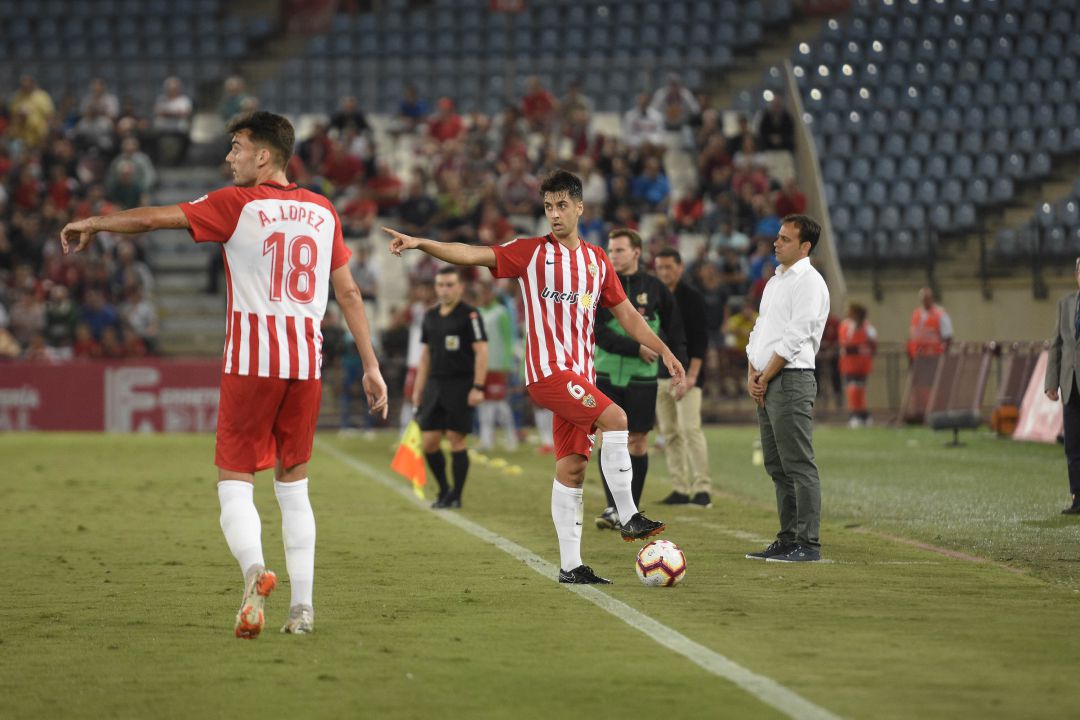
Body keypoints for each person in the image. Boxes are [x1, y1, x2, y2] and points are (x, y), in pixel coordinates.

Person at [59, 111, 389, 638]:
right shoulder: (325, 211)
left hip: (252, 364)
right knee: (294, 486)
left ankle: (255, 571)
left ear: (264, 156)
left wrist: (95, 222)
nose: (228, 157)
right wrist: (372, 366)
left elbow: (154, 219)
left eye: (236, 146)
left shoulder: (237, 204)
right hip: (306, 365)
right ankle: (302, 609)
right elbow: (348, 292)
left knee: (235, 480)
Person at [384, 169, 685, 585]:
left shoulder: (597, 261)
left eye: (562, 205)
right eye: (548, 207)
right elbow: (472, 252)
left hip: (581, 376)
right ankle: (629, 515)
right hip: (548, 373)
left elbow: (627, 314)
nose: (554, 214)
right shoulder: (530, 253)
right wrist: (422, 244)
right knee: (617, 420)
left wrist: (665, 349)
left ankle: (570, 566)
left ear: (580, 207)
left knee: (573, 467)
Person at [744, 215, 829, 563]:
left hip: (790, 379)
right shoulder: (775, 281)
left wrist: (765, 375)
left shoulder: (809, 282)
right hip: (768, 378)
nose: (775, 243)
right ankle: (788, 537)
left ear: (804, 246)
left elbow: (797, 336)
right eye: (777, 237)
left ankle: (807, 543)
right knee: (777, 465)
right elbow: (760, 329)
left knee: (798, 464)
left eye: (784, 239)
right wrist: (752, 369)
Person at [593, 229, 686, 529]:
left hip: (642, 379)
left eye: (619, 250)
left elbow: (674, 330)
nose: (613, 256)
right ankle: (612, 508)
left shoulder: (656, 289)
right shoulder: (601, 287)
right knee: (607, 440)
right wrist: (636, 347)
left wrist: (676, 365)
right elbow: (598, 333)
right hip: (606, 373)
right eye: (610, 250)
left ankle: (629, 511)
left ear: (636, 252)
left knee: (638, 442)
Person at [412, 267, 489, 509]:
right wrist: (418, 389)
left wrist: (478, 386)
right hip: (435, 384)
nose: (444, 289)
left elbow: (481, 351)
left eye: (449, 284)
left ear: (460, 287)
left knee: (456, 438)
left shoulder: (470, 315)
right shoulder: (430, 316)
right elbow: (425, 356)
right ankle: (444, 489)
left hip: (461, 382)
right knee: (429, 442)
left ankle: (456, 495)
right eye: (440, 285)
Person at [653, 248, 712, 507]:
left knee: (690, 429)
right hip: (659, 374)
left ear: (680, 268)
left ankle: (702, 489)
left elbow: (700, 340)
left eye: (669, 267)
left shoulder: (692, 298)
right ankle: (679, 487)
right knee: (669, 433)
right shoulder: (653, 297)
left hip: (688, 375)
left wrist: (691, 376)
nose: (664, 272)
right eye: (660, 268)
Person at [1045, 257, 1080, 515]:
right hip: (1070, 385)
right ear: (1075, 275)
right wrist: (1051, 382)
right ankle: (1077, 498)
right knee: (1073, 445)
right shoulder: (1064, 304)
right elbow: (1056, 344)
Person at [475, 281, 519, 452]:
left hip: (497, 364)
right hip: (481, 365)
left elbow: (508, 339)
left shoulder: (500, 312)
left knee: (498, 403)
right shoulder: (478, 313)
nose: (483, 297)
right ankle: (486, 439)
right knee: (483, 402)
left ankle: (511, 436)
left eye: (486, 293)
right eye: (481, 294)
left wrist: (508, 362)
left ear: (492, 294)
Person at [838, 303, 877, 428]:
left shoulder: (868, 327)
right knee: (852, 388)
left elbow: (873, 344)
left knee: (859, 389)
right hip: (849, 363)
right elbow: (844, 343)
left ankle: (860, 415)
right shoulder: (845, 325)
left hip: (862, 363)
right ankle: (857, 415)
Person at [907, 287, 953, 361]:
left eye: (926, 299)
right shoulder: (916, 314)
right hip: (917, 356)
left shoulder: (940, 314)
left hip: (934, 356)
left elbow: (948, 337)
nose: (924, 301)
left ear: (931, 298)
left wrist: (944, 356)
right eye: (923, 299)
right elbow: (912, 335)